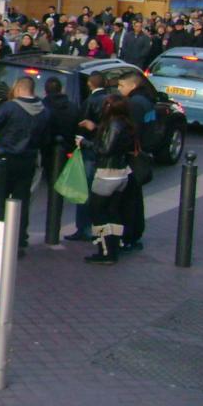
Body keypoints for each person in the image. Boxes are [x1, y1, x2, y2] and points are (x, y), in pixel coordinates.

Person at [0, 77, 48, 257]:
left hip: (6, 158)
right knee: (22, 200)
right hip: (29, 159)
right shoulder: (43, 110)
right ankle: (19, 239)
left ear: (19, 89)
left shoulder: (10, 107)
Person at [80, 96, 135, 265]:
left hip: (107, 173)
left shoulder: (113, 124)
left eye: (106, 105)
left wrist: (85, 143)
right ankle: (113, 247)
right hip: (122, 172)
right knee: (112, 211)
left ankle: (105, 250)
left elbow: (105, 149)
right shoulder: (126, 124)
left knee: (97, 212)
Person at [68, 73, 111, 242]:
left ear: (89, 84)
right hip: (103, 153)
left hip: (90, 149)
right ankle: (97, 225)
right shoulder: (110, 100)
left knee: (84, 190)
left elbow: (82, 126)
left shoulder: (90, 102)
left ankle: (83, 228)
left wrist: (81, 140)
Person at [117, 72, 155, 252]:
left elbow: (131, 131)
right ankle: (134, 234)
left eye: (121, 86)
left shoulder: (134, 105)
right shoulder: (147, 101)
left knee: (128, 199)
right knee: (135, 198)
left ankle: (127, 236)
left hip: (132, 157)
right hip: (142, 154)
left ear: (132, 86)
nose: (119, 89)